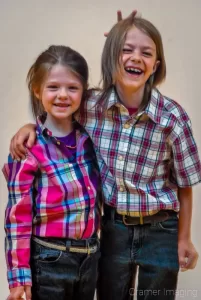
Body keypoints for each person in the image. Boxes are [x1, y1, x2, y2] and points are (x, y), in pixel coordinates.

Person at [9, 14, 201, 300]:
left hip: (161, 227)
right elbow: (58, 109)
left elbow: (185, 183)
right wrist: (30, 126)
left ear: (155, 66)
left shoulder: (172, 118)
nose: (136, 57)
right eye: (126, 49)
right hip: (113, 229)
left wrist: (184, 238)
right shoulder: (92, 107)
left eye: (146, 53)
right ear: (113, 58)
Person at [2, 45, 102, 300]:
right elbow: (17, 218)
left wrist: (117, 41)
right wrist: (18, 277)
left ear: (83, 93)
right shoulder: (28, 149)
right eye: (53, 87)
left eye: (72, 88)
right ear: (37, 90)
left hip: (90, 257)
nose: (63, 95)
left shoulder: (90, 139)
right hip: (49, 260)